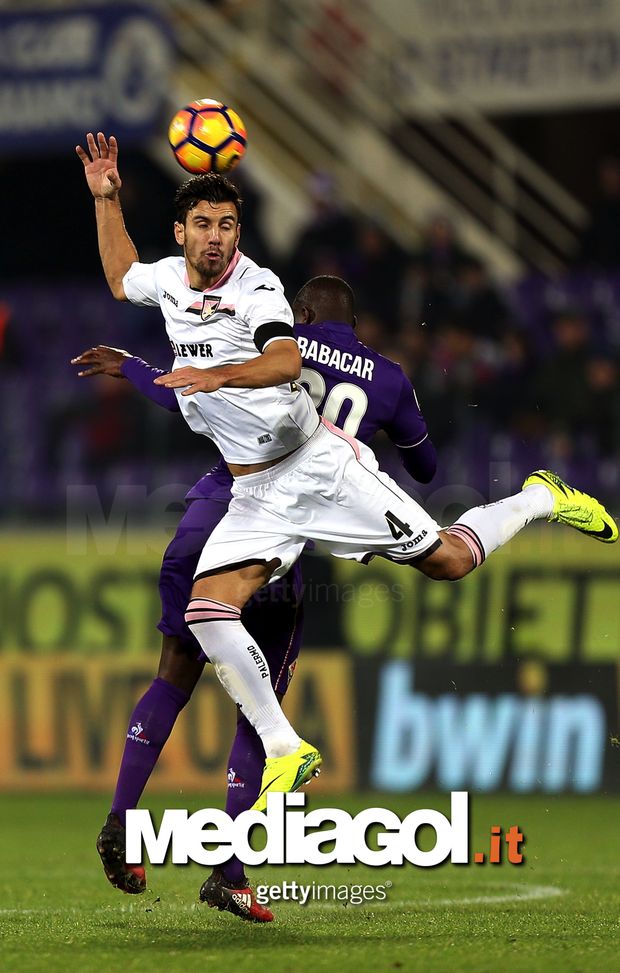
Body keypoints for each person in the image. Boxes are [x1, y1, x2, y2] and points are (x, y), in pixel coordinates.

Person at [77, 130, 618, 909]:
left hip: (320, 468)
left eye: (227, 225)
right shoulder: (165, 279)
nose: (216, 237)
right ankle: (285, 746)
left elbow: (285, 360)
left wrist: (218, 373)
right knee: (206, 609)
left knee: (449, 561)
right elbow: (119, 272)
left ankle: (538, 495)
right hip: (257, 490)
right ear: (182, 231)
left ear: (239, 233)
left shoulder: (260, 289)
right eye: (203, 225)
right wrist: (106, 199)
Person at [71, 274, 437, 921]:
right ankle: (230, 870)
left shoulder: (267, 347)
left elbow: (182, 390)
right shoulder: (383, 376)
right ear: (355, 324)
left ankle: (121, 820)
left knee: (172, 676)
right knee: (256, 707)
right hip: (270, 538)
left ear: (300, 314)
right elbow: (427, 467)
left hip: (203, 521)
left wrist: (130, 367)